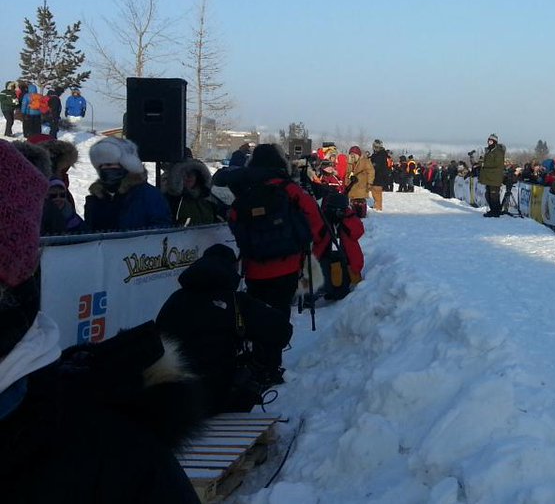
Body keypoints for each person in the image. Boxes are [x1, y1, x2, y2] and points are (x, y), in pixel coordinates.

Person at [0, 140, 205, 503]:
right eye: (103, 167)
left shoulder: (113, 454)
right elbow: (87, 229)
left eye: (114, 167)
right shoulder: (97, 196)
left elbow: (155, 229)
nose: (108, 173)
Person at [156, 244, 293, 415]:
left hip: (173, 396)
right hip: (219, 398)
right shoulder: (236, 301)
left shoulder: (174, 300)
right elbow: (282, 330)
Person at [216, 144, 325, 313]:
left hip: (254, 268)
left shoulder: (246, 191)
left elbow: (234, 219)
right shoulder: (290, 190)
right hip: (288, 267)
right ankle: (278, 337)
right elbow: (315, 223)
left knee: (256, 315)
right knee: (280, 314)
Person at [84, 137, 172, 232]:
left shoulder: (148, 195)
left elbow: (161, 229)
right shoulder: (97, 197)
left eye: (110, 164)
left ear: (126, 165)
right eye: (102, 165)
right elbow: (87, 232)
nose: (106, 168)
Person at [312, 192, 365, 301]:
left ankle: (340, 291)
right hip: (325, 255)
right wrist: (326, 219)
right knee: (324, 272)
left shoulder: (349, 217)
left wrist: (345, 219)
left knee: (344, 276)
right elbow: (316, 236)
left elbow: (357, 232)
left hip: (346, 257)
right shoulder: (323, 218)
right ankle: (325, 290)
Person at [164, 159, 227, 226]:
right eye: (183, 174)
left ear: (198, 176)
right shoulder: (170, 200)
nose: (188, 177)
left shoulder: (208, 198)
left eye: (192, 173)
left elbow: (220, 218)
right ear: (176, 177)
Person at [479, 133, 507, 217]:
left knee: (494, 195)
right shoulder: (489, 151)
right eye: (488, 141)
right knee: (488, 195)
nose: (489, 142)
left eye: (491, 141)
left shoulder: (498, 152)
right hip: (489, 177)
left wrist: (484, 164)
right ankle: (493, 210)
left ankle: (495, 211)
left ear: (494, 142)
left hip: (495, 177)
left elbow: (496, 163)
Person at [346, 146, 374, 218]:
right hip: (352, 185)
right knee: (353, 201)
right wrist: (347, 182)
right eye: (351, 154)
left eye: (353, 154)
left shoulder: (365, 161)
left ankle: (361, 214)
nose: (352, 156)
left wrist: (370, 182)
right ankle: (354, 214)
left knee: (360, 201)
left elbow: (371, 172)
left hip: (362, 184)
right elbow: (347, 173)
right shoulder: (349, 163)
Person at [369, 139, 390, 211]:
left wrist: (372, 165)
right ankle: (376, 204)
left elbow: (377, 165)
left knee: (377, 190)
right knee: (374, 190)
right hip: (377, 175)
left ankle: (378, 206)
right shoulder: (377, 154)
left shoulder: (381, 155)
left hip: (379, 175)